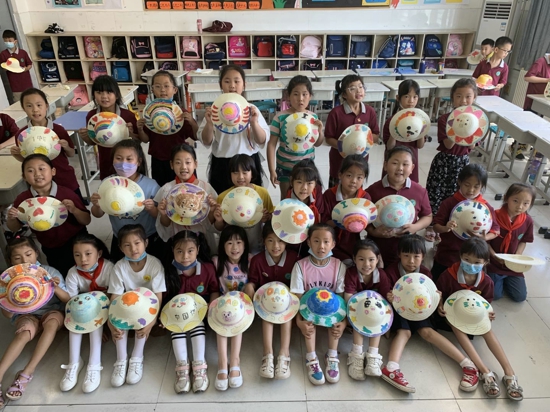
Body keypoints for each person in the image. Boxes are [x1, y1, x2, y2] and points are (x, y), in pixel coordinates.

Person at [382, 235, 479, 394]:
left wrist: (437, 298)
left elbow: (431, 294)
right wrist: (389, 297)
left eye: (416, 256)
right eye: (406, 255)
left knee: (427, 332)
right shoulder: (391, 271)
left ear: (423, 256)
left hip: (419, 310)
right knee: (404, 332)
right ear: (399, 254)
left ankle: (467, 364)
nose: (411, 261)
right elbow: (385, 294)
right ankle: (391, 367)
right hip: (398, 310)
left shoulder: (425, 272)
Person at [436, 238, 523, 401]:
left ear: (485, 262)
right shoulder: (448, 275)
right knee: (458, 328)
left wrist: (489, 313)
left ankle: (509, 372)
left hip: (474, 317)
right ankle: (484, 370)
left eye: (477, 262)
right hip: (452, 315)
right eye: (467, 259)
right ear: (460, 256)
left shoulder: (486, 281)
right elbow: (438, 293)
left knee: (488, 331)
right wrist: (440, 305)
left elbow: (486, 302)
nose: (471, 264)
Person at [0, 237, 70, 406]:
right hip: (26, 315)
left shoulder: (49, 272)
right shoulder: (8, 280)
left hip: (52, 311)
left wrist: (55, 287)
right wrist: (10, 297)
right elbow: (7, 315)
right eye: (17, 258)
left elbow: (68, 300)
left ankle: (27, 371)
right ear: (11, 261)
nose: (24, 260)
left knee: (51, 324)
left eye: (28, 254)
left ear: (36, 253)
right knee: (23, 334)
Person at [7, 154, 91, 276]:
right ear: (24, 176)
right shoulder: (24, 199)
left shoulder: (66, 193)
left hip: (77, 241)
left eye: (41, 169)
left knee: (86, 271)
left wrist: (74, 210)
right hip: (51, 246)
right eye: (30, 171)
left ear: (53, 171)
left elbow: (86, 220)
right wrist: (11, 218)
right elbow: (15, 227)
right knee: (61, 274)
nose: (37, 174)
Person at [107, 224, 166, 387]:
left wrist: (152, 322)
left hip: (147, 307)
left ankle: (136, 357)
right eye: (127, 245)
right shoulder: (119, 267)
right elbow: (115, 297)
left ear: (146, 243)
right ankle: (121, 360)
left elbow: (158, 297)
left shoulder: (154, 264)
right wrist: (111, 322)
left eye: (137, 243)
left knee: (142, 319)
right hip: (126, 304)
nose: (133, 249)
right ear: (120, 248)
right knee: (119, 320)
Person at [197, 64, 270, 194]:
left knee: (250, 198)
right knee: (223, 198)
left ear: (244, 85)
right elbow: (206, 141)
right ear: (220, 85)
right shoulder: (214, 110)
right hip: (222, 163)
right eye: (227, 81)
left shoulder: (251, 109)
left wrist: (253, 122)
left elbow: (262, 140)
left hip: (247, 162)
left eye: (237, 81)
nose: (232, 86)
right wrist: (209, 123)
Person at [163, 231, 220, 393]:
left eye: (190, 251)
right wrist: (164, 318)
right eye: (179, 251)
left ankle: (199, 366)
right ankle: (182, 366)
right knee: (177, 328)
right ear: (173, 251)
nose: (185, 256)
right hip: (176, 314)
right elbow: (165, 298)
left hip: (200, 312)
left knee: (197, 325)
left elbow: (214, 290)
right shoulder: (168, 270)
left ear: (198, 250)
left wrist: (211, 307)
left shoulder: (207, 268)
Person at [290, 224, 346, 386]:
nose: (321, 246)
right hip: (308, 309)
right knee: (308, 324)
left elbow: (342, 299)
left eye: (326, 242)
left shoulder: (339, 266)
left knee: (335, 321)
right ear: (308, 242)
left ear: (333, 244)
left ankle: (332, 355)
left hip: (331, 309)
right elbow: (298, 299)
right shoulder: (300, 266)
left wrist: (343, 323)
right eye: (316, 241)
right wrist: (299, 322)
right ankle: (311, 358)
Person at [90, 139, 161, 261]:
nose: (123, 163)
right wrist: (97, 205)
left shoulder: (151, 185)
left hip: (146, 238)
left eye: (129, 159)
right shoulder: (107, 184)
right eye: (118, 158)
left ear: (139, 162)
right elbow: (98, 214)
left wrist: (152, 209)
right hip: (120, 238)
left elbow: (159, 216)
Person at [244, 224, 300, 380]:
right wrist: (250, 286)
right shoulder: (257, 260)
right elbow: (253, 281)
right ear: (263, 241)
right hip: (266, 303)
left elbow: (297, 284)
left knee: (286, 318)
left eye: (280, 241)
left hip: (287, 303)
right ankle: (267, 354)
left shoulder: (294, 258)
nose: (276, 246)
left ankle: (284, 354)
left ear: (286, 241)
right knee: (267, 317)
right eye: (270, 240)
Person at [60, 234, 114, 393]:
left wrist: (101, 322)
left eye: (88, 253)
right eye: (77, 255)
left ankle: (94, 364)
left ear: (99, 253)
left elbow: (114, 295)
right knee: (75, 316)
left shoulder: (109, 268)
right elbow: (71, 300)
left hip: (105, 307)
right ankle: (74, 362)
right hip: (83, 307)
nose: (83, 259)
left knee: (93, 316)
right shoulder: (73, 273)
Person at [432, 164, 499, 282]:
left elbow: (496, 230)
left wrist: (485, 238)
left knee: (470, 284)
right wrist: (445, 228)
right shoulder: (449, 203)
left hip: (473, 258)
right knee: (440, 281)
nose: (471, 190)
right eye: (467, 185)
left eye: (476, 186)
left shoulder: (486, 207)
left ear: (482, 186)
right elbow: (436, 226)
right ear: (459, 182)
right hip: (449, 253)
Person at [366, 146, 432, 267]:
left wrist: (415, 227)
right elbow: (364, 218)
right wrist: (374, 232)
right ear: (385, 165)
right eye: (395, 163)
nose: (400, 168)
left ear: (412, 168)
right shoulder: (372, 191)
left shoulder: (419, 191)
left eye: (405, 164)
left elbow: (427, 216)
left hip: (407, 250)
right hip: (379, 246)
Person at [11, 88, 81, 199]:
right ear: (24, 108)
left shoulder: (58, 130)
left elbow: (71, 153)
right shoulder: (22, 135)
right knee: (46, 207)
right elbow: (25, 159)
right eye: (29, 106)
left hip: (63, 177)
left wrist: (66, 146)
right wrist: (17, 155)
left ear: (46, 106)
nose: (35, 110)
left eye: (39, 105)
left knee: (74, 204)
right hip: (39, 182)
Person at [426, 78, 478, 219]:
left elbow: (472, 145)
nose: (463, 101)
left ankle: (452, 220)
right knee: (436, 193)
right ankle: (433, 222)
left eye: (468, 97)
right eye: (459, 96)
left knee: (457, 193)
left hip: (462, 162)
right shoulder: (445, 119)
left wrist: (468, 126)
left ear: (474, 98)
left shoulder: (476, 121)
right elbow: (448, 144)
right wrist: (458, 125)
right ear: (452, 98)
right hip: (444, 161)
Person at [156, 143, 222, 254]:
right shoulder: (167, 190)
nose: (183, 167)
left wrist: (211, 211)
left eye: (188, 162)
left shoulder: (205, 189)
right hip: (178, 244)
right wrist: (163, 214)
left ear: (195, 164)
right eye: (178, 162)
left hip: (203, 243)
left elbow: (212, 225)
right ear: (171, 165)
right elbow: (165, 226)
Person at [136, 70, 198, 186]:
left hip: (180, 161)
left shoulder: (181, 113)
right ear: (152, 90)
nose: (162, 90)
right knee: (162, 190)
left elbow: (196, 136)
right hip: (159, 160)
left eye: (166, 86)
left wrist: (192, 122)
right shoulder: (149, 113)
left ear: (175, 89)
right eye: (158, 86)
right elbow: (145, 139)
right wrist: (140, 129)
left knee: (186, 188)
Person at [267, 75, 324, 198]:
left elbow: (317, 143)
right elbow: (271, 144)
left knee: (305, 198)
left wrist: (320, 132)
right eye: (296, 94)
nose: (300, 99)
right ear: (288, 96)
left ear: (310, 96)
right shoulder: (280, 117)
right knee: (286, 198)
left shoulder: (312, 118)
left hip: (306, 167)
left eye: (305, 94)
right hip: (285, 166)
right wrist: (271, 170)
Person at [344, 239, 391, 381]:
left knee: (376, 317)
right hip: (354, 312)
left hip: (376, 313)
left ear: (378, 259)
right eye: (361, 259)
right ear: (354, 259)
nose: (366, 264)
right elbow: (348, 298)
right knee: (361, 317)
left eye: (371, 259)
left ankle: (373, 356)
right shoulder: (351, 273)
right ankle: (356, 355)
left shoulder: (381, 275)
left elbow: (385, 300)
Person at [212, 225, 251, 390]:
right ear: (222, 245)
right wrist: (212, 307)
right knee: (222, 323)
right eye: (229, 243)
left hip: (243, 307)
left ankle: (234, 361)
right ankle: (222, 363)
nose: (234, 247)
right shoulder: (217, 262)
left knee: (236, 322)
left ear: (245, 244)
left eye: (239, 242)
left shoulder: (250, 260)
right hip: (222, 305)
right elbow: (213, 288)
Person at [78, 75, 138, 180]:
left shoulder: (128, 116)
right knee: (108, 184)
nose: (104, 96)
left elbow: (138, 141)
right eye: (99, 92)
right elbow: (93, 141)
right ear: (93, 95)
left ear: (117, 95)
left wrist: (131, 134)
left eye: (109, 92)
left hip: (127, 162)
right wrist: (85, 137)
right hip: (106, 160)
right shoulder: (92, 116)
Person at [325, 74, 379, 188]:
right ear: (344, 94)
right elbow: (329, 138)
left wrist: (363, 141)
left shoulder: (369, 111)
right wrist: (345, 147)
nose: (358, 90)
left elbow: (375, 135)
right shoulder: (336, 113)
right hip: (339, 161)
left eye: (360, 86)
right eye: (352, 88)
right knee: (336, 191)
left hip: (361, 161)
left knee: (356, 189)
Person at [217, 154, 274, 254]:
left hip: (256, 244)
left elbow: (271, 221)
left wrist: (266, 218)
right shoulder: (223, 197)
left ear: (252, 173)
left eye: (245, 172)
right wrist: (219, 220)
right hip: (234, 250)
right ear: (230, 174)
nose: (240, 177)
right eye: (235, 172)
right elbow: (219, 228)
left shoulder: (262, 193)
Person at [487, 183, 535, 302]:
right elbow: (485, 241)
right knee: (495, 295)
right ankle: (496, 279)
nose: (520, 206)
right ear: (506, 198)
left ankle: (504, 279)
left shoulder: (527, 221)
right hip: (494, 263)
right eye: (515, 201)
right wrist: (494, 256)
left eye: (526, 203)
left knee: (520, 297)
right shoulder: (494, 216)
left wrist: (517, 256)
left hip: (513, 265)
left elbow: (523, 240)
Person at [323, 155, 370, 264]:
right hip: (330, 242)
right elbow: (324, 224)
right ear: (340, 175)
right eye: (349, 175)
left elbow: (367, 224)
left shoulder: (364, 198)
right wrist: (341, 220)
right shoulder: (329, 195)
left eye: (359, 178)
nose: (353, 181)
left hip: (352, 243)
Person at [382, 80, 425, 183]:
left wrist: (421, 128)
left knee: (410, 188)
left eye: (415, 97)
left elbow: (420, 145)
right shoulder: (391, 121)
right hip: (394, 161)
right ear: (398, 98)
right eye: (406, 96)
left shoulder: (420, 120)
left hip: (410, 161)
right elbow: (390, 147)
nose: (411, 101)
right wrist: (395, 127)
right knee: (390, 186)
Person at [0, 29, 32, 102]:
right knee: (18, 103)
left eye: (10, 41)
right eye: (6, 41)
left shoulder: (23, 52)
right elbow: (3, 67)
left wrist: (26, 69)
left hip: (27, 83)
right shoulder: (3, 54)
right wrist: (8, 66)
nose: (8, 43)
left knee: (30, 100)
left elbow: (29, 64)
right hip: (15, 86)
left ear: (15, 41)